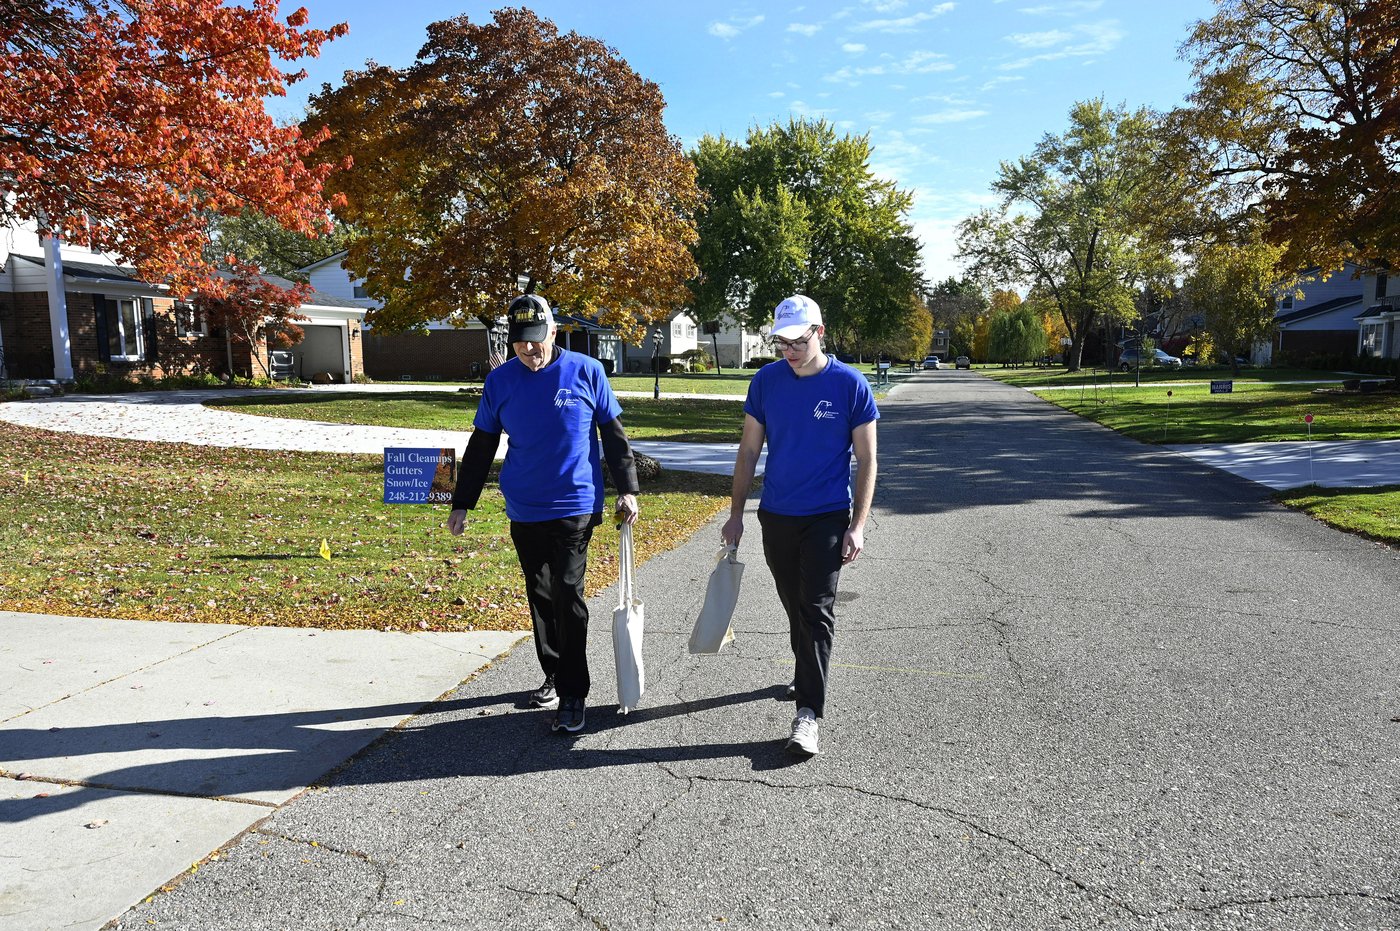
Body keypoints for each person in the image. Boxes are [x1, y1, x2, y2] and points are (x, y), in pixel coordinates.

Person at [448, 293, 639, 735]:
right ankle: (553, 673)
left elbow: (614, 437)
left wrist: (628, 490)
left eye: (536, 339)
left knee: (567, 592)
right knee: (541, 594)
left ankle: (574, 692)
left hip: (575, 504)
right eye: (520, 341)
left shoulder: (587, 371)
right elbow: (482, 445)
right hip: (525, 506)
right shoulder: (500, 382)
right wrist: (462, 502)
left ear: (554, 332)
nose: (529, 348)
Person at [721, 294, 878, 757]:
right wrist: (735, 514)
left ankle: (808, 712)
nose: (789, 351)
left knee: (816, 609)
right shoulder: (766, 382)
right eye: (782, 343)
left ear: (819, 333)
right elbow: (749, 451)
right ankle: (806, 667)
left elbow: (867, 459)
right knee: (794, 604)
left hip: (827, 515)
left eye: (798, 341)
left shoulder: (850, 385)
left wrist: (858, 524)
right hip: (777, 514)